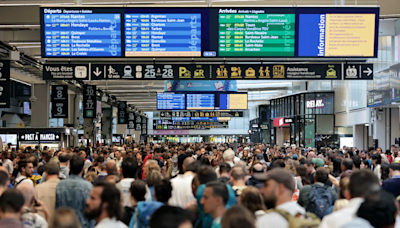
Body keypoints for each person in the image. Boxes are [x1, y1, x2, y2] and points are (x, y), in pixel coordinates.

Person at [56, 155, 94, 228]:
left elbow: (57, 208)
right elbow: (90, 211)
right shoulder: (88, 186)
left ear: (69, 167)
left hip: (63, 224)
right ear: (83, 169)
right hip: (82, 225)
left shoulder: (60, 185)